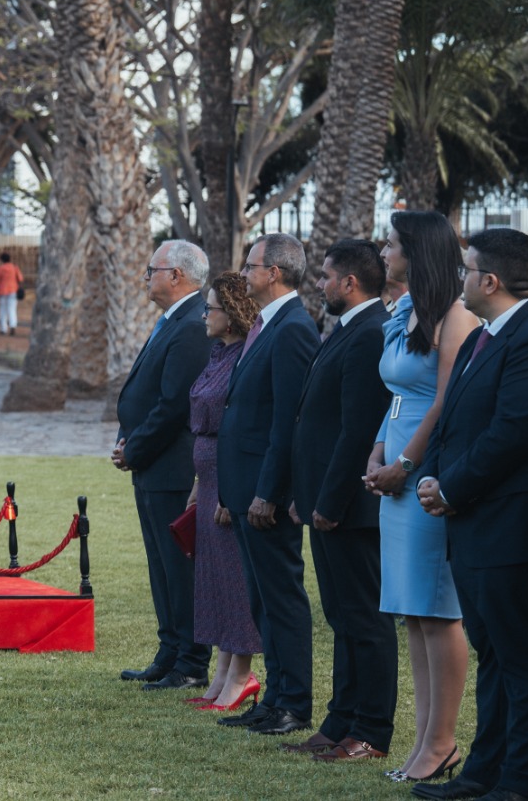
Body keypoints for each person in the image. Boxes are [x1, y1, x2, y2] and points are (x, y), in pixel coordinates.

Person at [414, 228, 528, 801]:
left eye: (466, 270)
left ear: (490, 281)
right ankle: (484, 773)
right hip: (470, 524)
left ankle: (520, 781)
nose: (458, 278)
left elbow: (513, 431)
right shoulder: (479, 338)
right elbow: (451, 419)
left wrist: (453, 487)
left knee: (521, 662)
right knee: (493, 655)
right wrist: (431, 475)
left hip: (510, 526)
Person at [363, 211, 476, 785]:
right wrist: (377, 452)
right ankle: (424, 740)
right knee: (412, 610)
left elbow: (445, 401)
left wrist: (406, 464)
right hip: (394, 466)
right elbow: (399, 396)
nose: (384, 251)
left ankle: (443, 741)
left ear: (418, 250)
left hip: (427, 472)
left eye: (391, 243)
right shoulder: (405, 311)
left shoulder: (456, 317)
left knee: (438, 609)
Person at [284, 239, 397, 764]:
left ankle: (371, 729)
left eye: (326, 276)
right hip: (325, 501)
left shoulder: (371, 332)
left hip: (350, 505)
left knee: (364, 620)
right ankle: (341, 720)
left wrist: (328, 500)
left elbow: (356, 431)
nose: (319, 284)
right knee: (341, 617)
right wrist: (305, 496)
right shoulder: (348, 327)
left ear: (349, 282)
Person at [216, 232, 319, 736]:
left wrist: (269, 491)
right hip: (244, 486)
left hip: (265, 492)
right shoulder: (266, 324)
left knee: (281, 598)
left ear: (274, 272)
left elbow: (288, 421)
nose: (244, 273)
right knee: (261, 599)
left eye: (250, 265)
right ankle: (274, 697)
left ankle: (293, 703)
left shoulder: (294, 327)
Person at [112, 240, 214, 691]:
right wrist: (128, 440)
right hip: (152, 464)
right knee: (160, 565)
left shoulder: (192, 325)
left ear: (176, 275)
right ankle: (169, 652)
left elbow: (174, 405)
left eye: (151, 269)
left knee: (179, 567)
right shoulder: (174, 319)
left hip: (172, 466)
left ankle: (190, 661)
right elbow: (149, 393)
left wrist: (134, 447)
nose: (145, 277)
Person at [186, 273, 263, 711]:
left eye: (210, 308)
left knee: (234, 580)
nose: (204, 315)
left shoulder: (242, 357)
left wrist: (228, 490)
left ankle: (241, 675)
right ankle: (221, 674)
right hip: (209, 477)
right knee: (214, 578)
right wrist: (199, 485)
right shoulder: (218, 353)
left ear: (230, 315)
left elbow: (238, 424)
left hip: (229, 477)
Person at [0, 252, 25, 336]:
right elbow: (20, 279)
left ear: (2, 260)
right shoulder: (15, 268)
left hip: (2, 291)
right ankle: (13, 326)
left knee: (3, 310)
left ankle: (3, 329)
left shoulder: (0, 269)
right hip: (13, 290)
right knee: (12, 309)